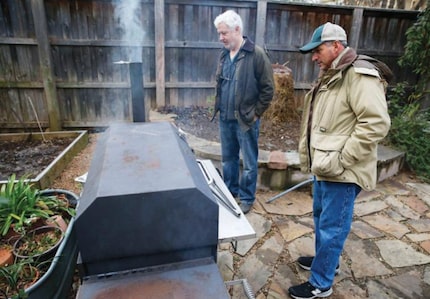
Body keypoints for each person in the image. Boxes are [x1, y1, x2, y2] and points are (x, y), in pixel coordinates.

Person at [288, 22, 391, 298]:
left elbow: (376, 123)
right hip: (326, 167)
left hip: (342, 171)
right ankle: (326, 263)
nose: (313, 57)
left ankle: (321, 283)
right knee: (323, 220)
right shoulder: (333, 73)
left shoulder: (359, 76)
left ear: (336, 46)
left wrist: (343, 158)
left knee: (333, 228)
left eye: (318, 50)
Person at [212, 10, 274, 214]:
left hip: (246, 120)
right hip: (225, 118)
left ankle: (247, 197)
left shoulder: (255, 54)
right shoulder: (224, 54)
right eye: (219, 33)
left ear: (237, 30)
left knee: (248, 162)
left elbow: (268, 89)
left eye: (224, 33)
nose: (220, 38)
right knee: (228, 159)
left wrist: (256, 114)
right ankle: (230, 191)